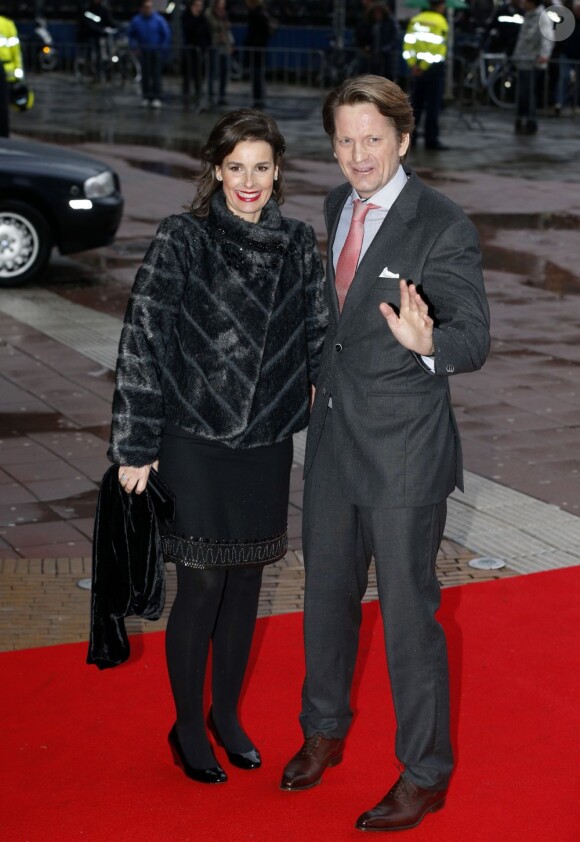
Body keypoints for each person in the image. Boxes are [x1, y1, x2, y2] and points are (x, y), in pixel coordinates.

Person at [280, 75, 490, 832]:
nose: (358, 155)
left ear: (402, 139)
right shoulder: (336, 206)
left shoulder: (441, 222)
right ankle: (324, 731)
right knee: (325, 604)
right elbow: (332, 322)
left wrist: (431, 344)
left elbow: (476, 337)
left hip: (404, 454)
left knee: (408, 618)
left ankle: (425, 773)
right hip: (333, 445)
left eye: (372, 138)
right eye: (344, 139)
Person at [108, 109, 328, 784]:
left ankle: (225, 715)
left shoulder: (297, 243)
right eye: (237, 167)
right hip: (193, 439)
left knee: (246, 587)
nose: (250, 181)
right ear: (215, 171)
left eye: (262, 167)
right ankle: (185, 723)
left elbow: (319, 339)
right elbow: (143, 337)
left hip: (264, 444)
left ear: (278, 171)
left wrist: (329, 410)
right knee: (201, 588)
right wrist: (136, 443)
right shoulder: (183, 237)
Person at [403, 0, 449, 150]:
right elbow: (437, 48)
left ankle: (412, 139)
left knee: (416, 105)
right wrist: (424, 66)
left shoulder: (416, 20)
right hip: (433, 69)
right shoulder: (441, 22)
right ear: (440, 5)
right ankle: (431, 140)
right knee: (433, 106)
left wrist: (413, 65)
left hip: (417, 67)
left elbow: (408, 43)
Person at [512, 0, 552, 134]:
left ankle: (530, 121)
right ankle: (522, 118)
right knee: (523, 93)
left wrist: (544, 55)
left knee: (527, 93)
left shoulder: (542, 17)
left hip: (533, 61)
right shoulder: (529, 15)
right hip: (523, 60)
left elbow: (548, 37)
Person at [128, 0, 171, 108]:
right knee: (145, 75)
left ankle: (157, 97)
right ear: (142, 8)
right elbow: (131, 35)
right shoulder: (136, 20)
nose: (148, 10)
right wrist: (134, 47)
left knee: (156, 75)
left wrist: (162, 48)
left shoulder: (158, 20)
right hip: (144, 51)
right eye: (146, 7)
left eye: (150, 7)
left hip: (156, 51)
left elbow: (166, 34)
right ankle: (146, 96)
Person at [181, 0, 212, 107]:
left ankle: (198, 97)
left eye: (201, 5)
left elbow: (206, 33)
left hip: (200, 51)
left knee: (199, 76)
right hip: (189, 51)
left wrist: (206, 46)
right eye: (198, 5)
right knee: (187, 75)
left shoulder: (203, 18)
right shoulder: (187, 16)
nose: (200, 7)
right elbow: (188, 30)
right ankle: (186, 98)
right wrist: (194, 16)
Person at [553, 0, 580, 116]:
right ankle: (559, 102)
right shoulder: (568, 19)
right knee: (564, 77)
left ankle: (577, 104)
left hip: (577, 54)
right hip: (567, 53)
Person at [244, 0, 273, 108]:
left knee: (257, 74)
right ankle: (259, 97)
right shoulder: (263, 12)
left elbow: (252, 33)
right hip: (260, 48)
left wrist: (248, 44)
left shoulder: (254, 14)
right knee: (259, 74)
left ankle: (258, 98)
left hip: (256, 49)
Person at [205, 0, 233, 107]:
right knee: (213, 71)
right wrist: (222, 22)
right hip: (215, 44)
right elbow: (214, 25)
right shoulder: (210, 13)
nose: (222, 4)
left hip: (225, 45)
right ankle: (211, 95)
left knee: (225, 71)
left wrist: (229, 45)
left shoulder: (224, 14)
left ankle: (222, 96)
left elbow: (227, 30)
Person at [0, 10, 23, 136]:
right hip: (6, 71)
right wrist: (18, 75)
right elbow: (16, 52)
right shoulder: (7, 24)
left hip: (5, 70)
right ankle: (4, 135)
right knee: (3, 107)